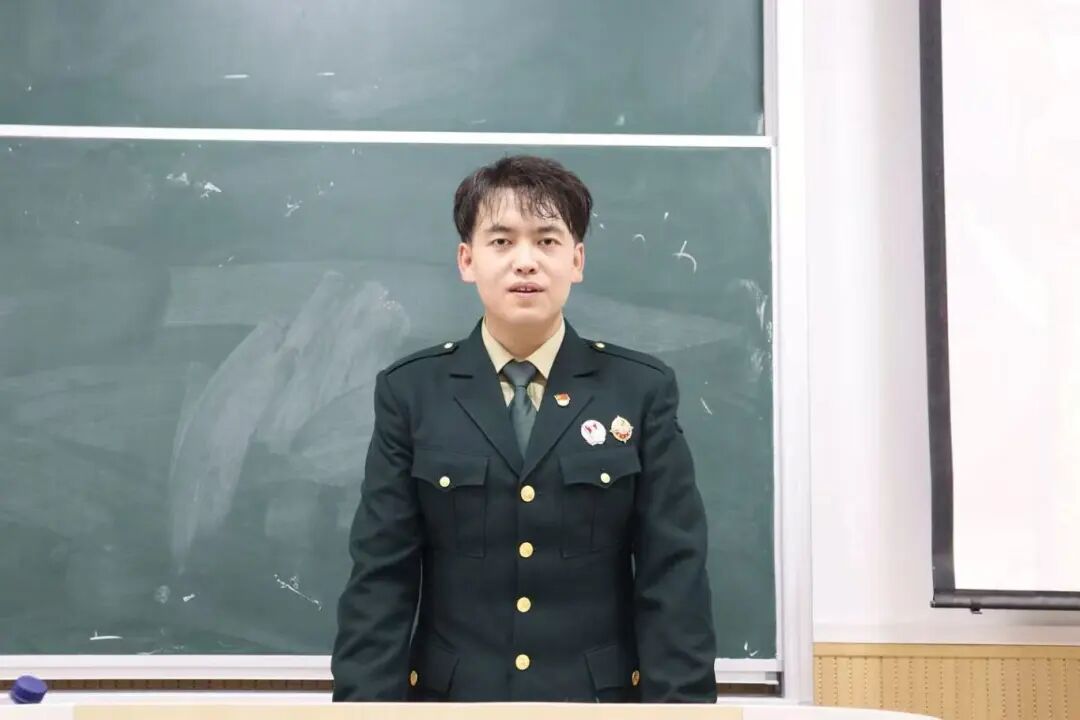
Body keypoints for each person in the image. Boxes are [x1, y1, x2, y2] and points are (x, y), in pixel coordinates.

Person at [331, 155, 716, 703]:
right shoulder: (412, 392)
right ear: (467, 260)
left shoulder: (639, 390)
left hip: (597, 705)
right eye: (502, 241)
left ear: (577, 260)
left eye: (547, 241)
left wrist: (681, 713)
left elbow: (673, 576)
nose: (526, 262)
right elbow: (381, 577)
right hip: (452, 704)